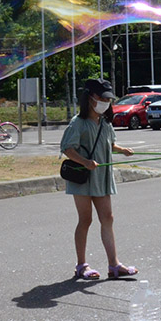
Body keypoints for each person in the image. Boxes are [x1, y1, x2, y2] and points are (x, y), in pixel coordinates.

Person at [60, 78, 138, 280]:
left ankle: (114, 265)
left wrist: (122, 150)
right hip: (83, 179)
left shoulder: (105, 122)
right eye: (102, 98)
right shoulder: (78, 123)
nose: (106, 102)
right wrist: (85, 162)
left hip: (102, 177)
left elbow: (110, 144)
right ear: (90, 98)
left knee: (108, 218)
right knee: (85, 220)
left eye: (109, 99)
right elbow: (67, 149)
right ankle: (81, 265)